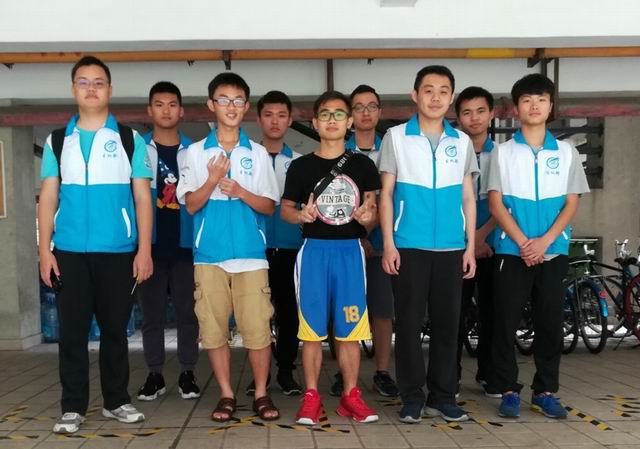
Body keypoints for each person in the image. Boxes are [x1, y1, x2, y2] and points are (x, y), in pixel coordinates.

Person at [38, 55, 153, 434]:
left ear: (110, 90)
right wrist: (44, 251)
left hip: (118, 251)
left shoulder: (129, 139)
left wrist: (144, 250)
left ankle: (116, 401)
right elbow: (48, 197)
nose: (91, 88)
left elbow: (142, 198)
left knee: (115, 331)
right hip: (69, 252)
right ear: (74, 89)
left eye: (98, 82)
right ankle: (72, 407)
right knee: (71, 333)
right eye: (84, 82)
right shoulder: (58, 141)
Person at [176, 72, 281, 422]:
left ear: (246, 106)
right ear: (212, 105)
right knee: (213, 329)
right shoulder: (194, 153)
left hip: (251, 256)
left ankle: (261, 393)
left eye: (237, 101)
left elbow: (269, 206)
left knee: (258, 329)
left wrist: (240, 192)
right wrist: (211, 180)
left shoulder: (259, 153)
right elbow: (191, 205)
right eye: (223, 100)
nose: (231, 107)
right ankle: (225, 394)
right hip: (210, 256)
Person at [378, 65, 479, 423]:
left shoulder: (461, 142)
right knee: (407, 324)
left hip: (452, 247)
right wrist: (389, 243)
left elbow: (468, 196)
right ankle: (412, 396)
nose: (435, 97)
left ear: (451, 98)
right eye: (428, 90)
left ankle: (443, 396)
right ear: (415, 95)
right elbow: (386, 195)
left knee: (448, 324)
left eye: (443, 91)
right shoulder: (395, 138)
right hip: (409, 245)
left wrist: (469, 246)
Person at [486, 73, 589, 419]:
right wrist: (522, 242)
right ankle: (507, 389)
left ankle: (545, 391)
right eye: (527, 100)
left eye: (541, 99)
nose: (534, 106)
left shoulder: (567, 152)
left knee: (550, 323)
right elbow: (496, 204)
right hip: (511, 252)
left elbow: (571, 203)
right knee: (504, 323)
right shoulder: (501, 153)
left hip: (552, 251)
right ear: (515, 109)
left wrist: (544, 241)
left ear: (550, 107)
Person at [281, 90, 380, 425]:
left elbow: (372, 208)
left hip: (350, 252)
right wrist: (301, 216)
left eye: (339, 114)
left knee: (351, 329)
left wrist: (369, 217)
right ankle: (311, 397)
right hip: (314, 252)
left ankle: (351, 397)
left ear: (349, 121)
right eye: (325, 114)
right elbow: (285, 210)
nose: (332, 120)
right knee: (311, 330)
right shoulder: (300, 166)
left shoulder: (363, 165)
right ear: (315, 122)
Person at [330, 84, 398, 398]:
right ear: (350, 115)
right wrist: (358, 237)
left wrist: (373, 236)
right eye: (358, 107)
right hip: (346, 245)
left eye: (371, 106)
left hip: (384, 244)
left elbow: (393, 198)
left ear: (380, 112)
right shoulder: (337, 152)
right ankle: (344, 372)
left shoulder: (393, 149)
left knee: (382, 310)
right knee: (346, 310)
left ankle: (382, 372)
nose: (366, 113)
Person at [136, 81, 200, 402]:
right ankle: (155, 374)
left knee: (189, 314)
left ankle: (188, 372)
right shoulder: (138, 150)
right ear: (150, 110)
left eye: (172, 104)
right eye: (159, 104)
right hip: (149, 248)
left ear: (181, 111)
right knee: (152, 316)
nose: (166, 110)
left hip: (186, 247)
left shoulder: (194, 152)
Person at [244, 90, 303, 396]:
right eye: (268, 115)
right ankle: (261, 373)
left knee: (289, 311)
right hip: (255, 249)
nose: (275, 121)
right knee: (257, 313)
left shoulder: (300, 163)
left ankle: (286, 370)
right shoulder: (247, 159)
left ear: (290, 120)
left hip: (291, 248)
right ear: (258, 119)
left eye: (281, 115)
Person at [454, 86, 500, 398]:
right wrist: (470, 241)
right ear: (458, 117)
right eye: (467, 112)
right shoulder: (452, 152)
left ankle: (489, 374)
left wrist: (482, 236)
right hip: (458, 247)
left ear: (491, 114)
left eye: (481, 111)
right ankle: (451, 375)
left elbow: (505, 203)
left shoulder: (503, 155)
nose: (474, 118)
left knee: (493, 313)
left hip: (495, 245)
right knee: (454, 313)